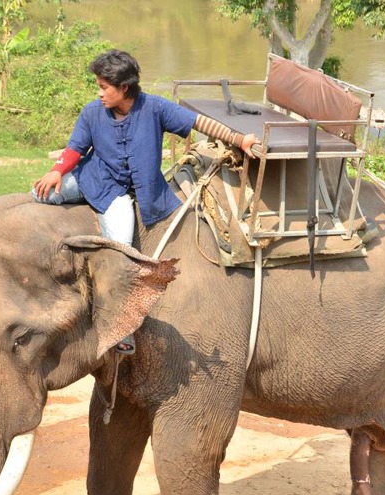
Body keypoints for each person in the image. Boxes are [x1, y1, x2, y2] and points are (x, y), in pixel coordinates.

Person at [32, 49, 258, 354]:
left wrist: (239, 139)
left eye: (104, 87)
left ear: (124, 87)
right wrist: (56, 172)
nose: (99, 93)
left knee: (122, 253)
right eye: (98, 86)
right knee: (39, 194)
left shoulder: (154, 108)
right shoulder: (91, 113)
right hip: (92, 179)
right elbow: (75, 148)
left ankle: (121, 329)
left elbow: (199, 122)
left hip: (117, 197)